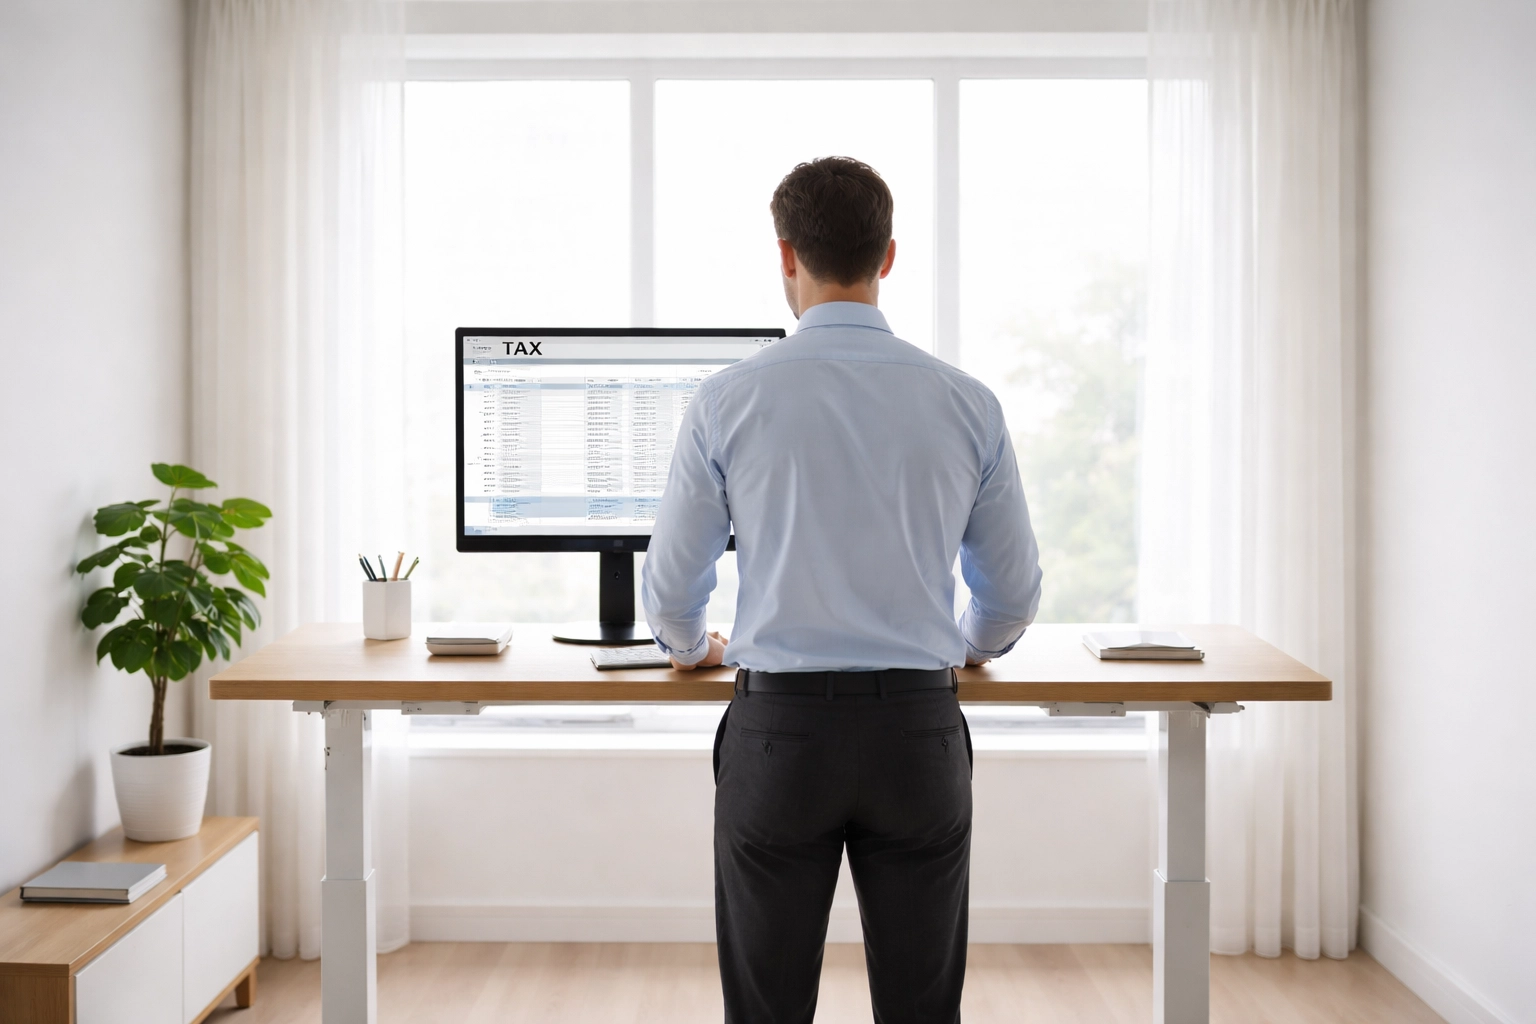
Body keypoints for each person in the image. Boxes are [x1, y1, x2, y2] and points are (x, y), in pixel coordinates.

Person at [641, 156, 1042, 1024]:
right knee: (923, 1008)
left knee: (767, 1009)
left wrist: (689, 650)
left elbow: (671, 589)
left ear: (786, 255)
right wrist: (967, 643)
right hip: (918, 735)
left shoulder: (727, 399)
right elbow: (1010, 596)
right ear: (887, 256)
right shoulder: (967, 402)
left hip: (780, 738)